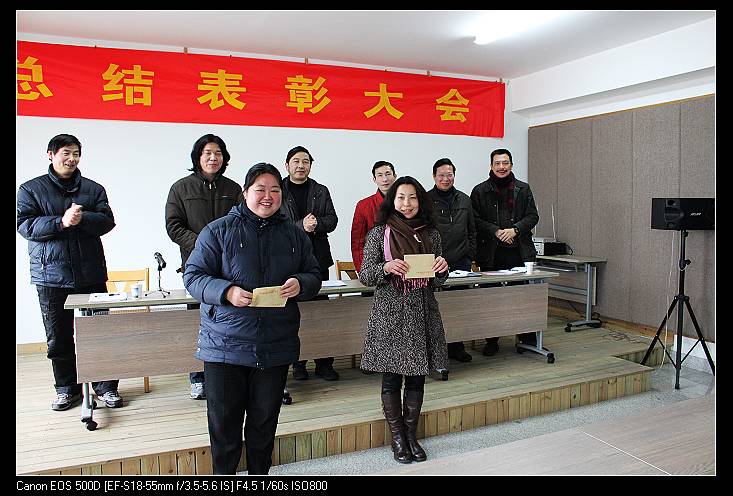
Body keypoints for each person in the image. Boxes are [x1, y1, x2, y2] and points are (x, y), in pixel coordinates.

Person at [183, 162, 322, 475]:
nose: (268, 196)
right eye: (260, 189)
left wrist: (301, 283)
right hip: (224, 347)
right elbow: (193, 276)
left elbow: (314, 274)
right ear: (245, 193)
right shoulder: (217, 231)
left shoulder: (294, 234)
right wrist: (226, 291)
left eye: (275, 190)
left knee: (264, 424)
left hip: (275, 345)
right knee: (224, 427)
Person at [17, 134, 124, 411]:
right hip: (50, 276)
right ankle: (67, 389)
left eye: (76, 153)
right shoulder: (30, 189)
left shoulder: (93, 189)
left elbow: (107, 221)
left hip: (91, 273)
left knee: (100, 333)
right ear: (50, 154)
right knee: (58, 336)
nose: (71, 158)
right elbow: (25, 226)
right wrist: (61, 222)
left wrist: (81, 218)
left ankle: (106, 387)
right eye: (66, 152)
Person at [359, 176, 449, 464]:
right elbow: (365, 275)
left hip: (422, 311)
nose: (407, 203)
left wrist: (442, 268)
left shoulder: (431, 234)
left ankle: (411, 436)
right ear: (392, 200)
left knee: (417, 377)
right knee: (391, 379)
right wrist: (386, 267)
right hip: (390, 314)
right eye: (401, 197)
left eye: (412, 198)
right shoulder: (379, 233)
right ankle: (397, 438)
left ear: (420, 201)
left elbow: (438, 279)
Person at [165, 134, 243, 400]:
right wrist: (203, 244)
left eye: (218, 153)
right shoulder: (181, 188)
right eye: (207, 153)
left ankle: (228, 373)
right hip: (196, 267)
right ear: (197, 157)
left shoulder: (233, 189)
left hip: (230, 266)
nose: (213, 158)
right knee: (198, 323)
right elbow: (174, 226)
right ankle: (198, 378)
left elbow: (242, 222)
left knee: (230, 322)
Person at [470, 148, 539, 356]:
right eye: (497, 163)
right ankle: (491, 340)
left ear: (511, 165)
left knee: (523, 296)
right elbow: (474, 220)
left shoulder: (523, 189)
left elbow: (533, 216)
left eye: (505, 163)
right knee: (491, 298)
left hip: (519, 252)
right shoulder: (480, 191)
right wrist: (496, 231)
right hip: (491, 253)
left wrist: (514, 230)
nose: (501, 167)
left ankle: (527, 339)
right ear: (491, 166)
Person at [281, 146, 340, 381]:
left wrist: (317, 225)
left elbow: (332, 219)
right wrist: (300, 226)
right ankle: (299, 364)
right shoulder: (278, 190)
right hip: (289, 260)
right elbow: (275, 222)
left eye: (305, 161)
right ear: (287, 165)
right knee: (294, 314)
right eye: (296, 161)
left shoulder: (320, 190)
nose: (301, 165)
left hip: (318, 259)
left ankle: (324, 363)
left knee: (321, 313)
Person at [428, 158, 477, 363]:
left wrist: (470, 255)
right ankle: (435, 349)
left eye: (449, 175)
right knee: (436, 308)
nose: (445, 179)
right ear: (434, 176)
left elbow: (472, 230)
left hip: (461, 263)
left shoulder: (464, 199)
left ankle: (457, 346)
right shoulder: (426, 200)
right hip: (435, 265)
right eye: (441, 175)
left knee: (460, 308)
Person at [350, 160, 396, 273]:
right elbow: (357, 243)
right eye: (380, 175)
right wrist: (363, 271)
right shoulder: (363, 205)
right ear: (374, 180)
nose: (385, 179)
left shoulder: (407, 203)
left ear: (395, 176)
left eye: (388, 174)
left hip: (402, 265)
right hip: (375, 267)